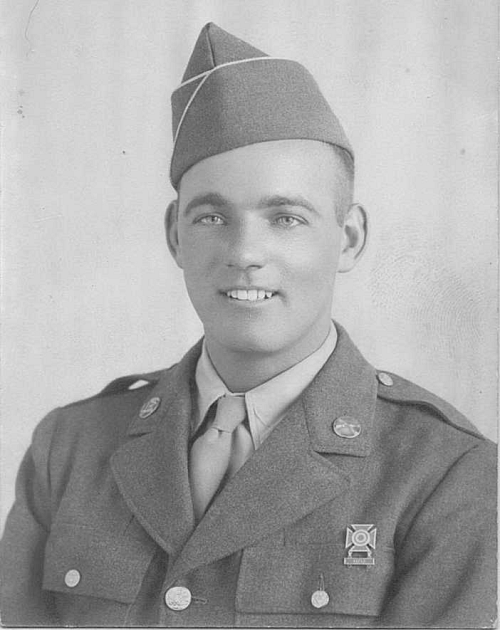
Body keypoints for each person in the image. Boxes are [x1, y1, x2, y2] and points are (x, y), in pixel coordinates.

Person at [0, 23, 496, 628]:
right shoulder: (70, 447)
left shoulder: (444, 471)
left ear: (349, 238)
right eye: (211, 218)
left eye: (286, 218)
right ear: (175, 235)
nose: (244, 254)